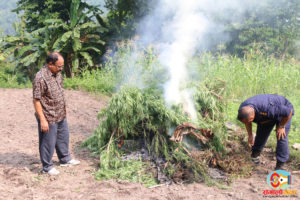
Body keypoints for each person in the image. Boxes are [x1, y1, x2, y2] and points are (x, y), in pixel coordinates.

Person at [33, 52, 80, 175]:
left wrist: (65, 107)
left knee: (63, 137)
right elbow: (36, 100)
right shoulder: (40, 78)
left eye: (62, 66)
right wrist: (42, 119)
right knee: (48, 142)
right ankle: (47, 167)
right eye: (58, 66)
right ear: (50, 64)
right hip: (48, 116)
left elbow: (61, 90)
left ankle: (65, 159)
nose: (61, 69)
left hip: (60, 113)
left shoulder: (57, 74)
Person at [237, 94, 294, 170]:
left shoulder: (268, 109)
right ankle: (255, 155)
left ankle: (280, 165)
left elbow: (288, 112)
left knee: (281, 136)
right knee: (261, 132)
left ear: (252, 117)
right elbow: (247, 122)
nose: (247, 123)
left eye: (249, 121)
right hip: (267, 115)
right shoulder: (243, 110)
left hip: (283, 112)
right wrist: (250, 135)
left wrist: (281, 126)